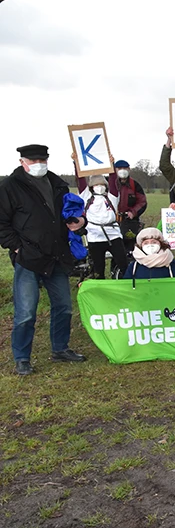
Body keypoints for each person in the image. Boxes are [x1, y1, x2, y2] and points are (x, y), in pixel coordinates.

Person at [0, 144, 88, 375]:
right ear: (23, 162)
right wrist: (17, 248)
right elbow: (2, 223)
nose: (39, 164)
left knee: (64, 307)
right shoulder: (9, 186)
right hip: (28, 258)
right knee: (26, 312)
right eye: (33, 160)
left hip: (57, 256)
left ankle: (60, 348)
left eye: (42, 159)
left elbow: (69, 215)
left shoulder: (57, 184)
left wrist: (80, 224)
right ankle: (22, 358)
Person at [79, 174, 128, 279]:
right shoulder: (86, 197)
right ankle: (100, 289)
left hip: (113, 235)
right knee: (98, 268)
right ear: (92, 186)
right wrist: (76, 164)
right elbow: (81, 181)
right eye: (96, 184)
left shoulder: (111, 197)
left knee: (123, 263)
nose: (100, 186)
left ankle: (127, 284)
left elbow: (114, 182)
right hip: (94, 236)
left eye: (102, 184)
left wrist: (112, 167)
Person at [110, 160, 147, 256]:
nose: (122, 170)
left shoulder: (135, 185)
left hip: (129, 222)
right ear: (114, 169)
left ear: (129, 169)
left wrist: (133, 212)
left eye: (125, 168)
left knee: (129, 248)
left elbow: (142, 202)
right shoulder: (108, 184)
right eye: (119, 168)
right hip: (110, 222)